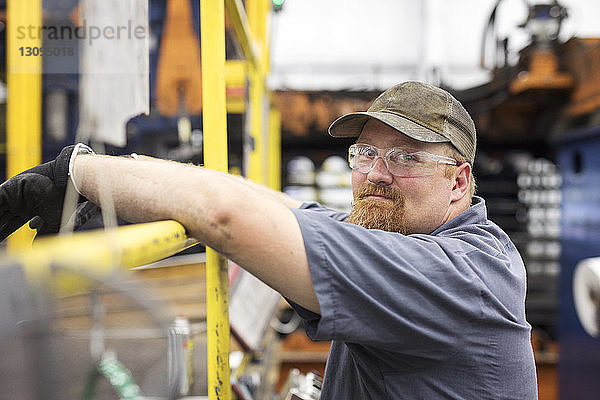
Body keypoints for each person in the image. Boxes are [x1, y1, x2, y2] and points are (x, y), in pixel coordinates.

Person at [0, 81, 538, 399]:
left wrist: (78, 175)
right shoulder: (419, 237)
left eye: (406, 157)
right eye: (365, 154)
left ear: (460, 180)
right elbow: (278, 205)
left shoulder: (455, 275)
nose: (376, 173)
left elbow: (228, 215)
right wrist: (127, 183)